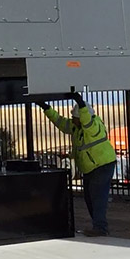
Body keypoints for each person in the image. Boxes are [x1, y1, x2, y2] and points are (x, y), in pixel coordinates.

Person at [36, 94, 117, 237]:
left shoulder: (93, 125)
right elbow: (60, 122)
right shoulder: (76, 127)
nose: (72, 119)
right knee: (90, 197)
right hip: (91, 167)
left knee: (97, 197)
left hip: (102, 165)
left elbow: (86, 119)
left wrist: (79, 102)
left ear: (81, 117)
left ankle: (100, 228)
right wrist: (46, 108)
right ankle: (99, 226)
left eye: (74, 117)